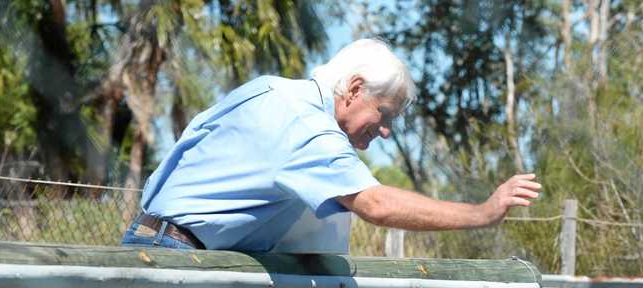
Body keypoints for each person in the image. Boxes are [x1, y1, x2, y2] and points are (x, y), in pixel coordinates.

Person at [121, 38, 541, 252]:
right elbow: (376, 206)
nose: (386, 131)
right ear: (355, 89)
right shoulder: (308, 126)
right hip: (174, 251)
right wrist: (481, 212)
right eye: (386, 114)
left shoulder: (270, 91)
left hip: (153, 236)